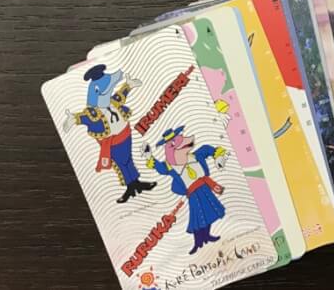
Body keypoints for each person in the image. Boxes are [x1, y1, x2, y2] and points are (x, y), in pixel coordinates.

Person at [62, 64, 156, 203]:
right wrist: (73, 119)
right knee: (121, 163)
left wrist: (128, 85)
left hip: (126, 135)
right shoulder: (93, 112)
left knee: (128, 160)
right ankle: (130, 186)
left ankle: (136, 183)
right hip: (113, 143)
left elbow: (120, 95)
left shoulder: (112, 102)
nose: (110, 91)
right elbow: (84, 118)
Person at [145, 127, 228, 255]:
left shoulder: (195, 156)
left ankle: (207, 236)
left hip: (205, 188)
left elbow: (207, 149)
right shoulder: (172, 167)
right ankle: (198, 241)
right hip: (193, 194)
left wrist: (218, 156)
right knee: (198, 217)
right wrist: (149, 156)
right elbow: (160, 168)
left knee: (210, 213)